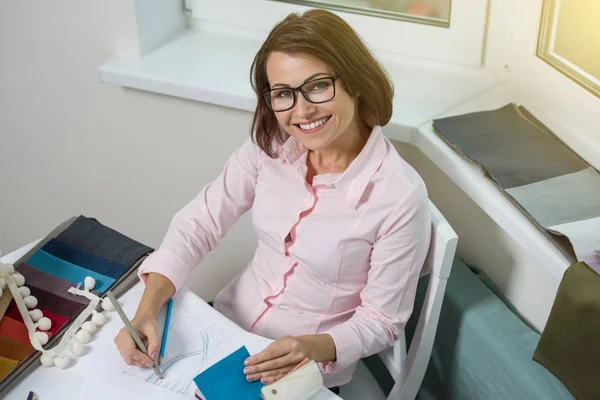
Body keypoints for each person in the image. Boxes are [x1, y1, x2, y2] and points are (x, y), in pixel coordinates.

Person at [114, 9, 431, 392]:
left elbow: (382, 321)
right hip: (223, 329)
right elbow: (200, 223)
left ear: (356, 80)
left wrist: (309, 348)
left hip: (296, 370)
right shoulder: (270, 147)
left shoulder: (399, 196)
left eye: (317, 86)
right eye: (283, 94)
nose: (302, 111)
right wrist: (146, 310)